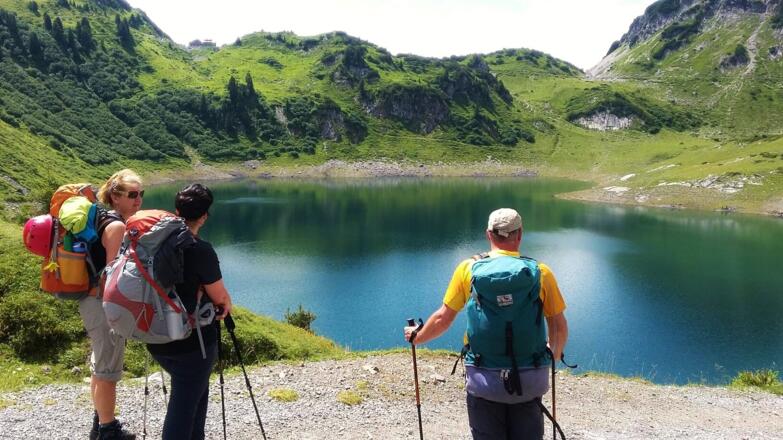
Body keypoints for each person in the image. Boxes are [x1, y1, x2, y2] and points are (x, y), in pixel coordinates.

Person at [403, 208, 569, 440]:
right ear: (519, 234)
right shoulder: (541, 273)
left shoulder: (468, 270)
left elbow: (443, 318)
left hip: (483, 381)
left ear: (488, 234)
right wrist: (551, 355)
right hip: (530, 380)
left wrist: (416, 336)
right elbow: (559, 326)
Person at [146, 183, 233, 440]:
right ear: (204, 216)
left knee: (193, 395)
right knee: (183, 410)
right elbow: (220, 298)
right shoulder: (200, 250)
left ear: (176, 210)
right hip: (192, 344)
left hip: (156, 336)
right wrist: (226, 303)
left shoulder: (155, 242)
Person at [86, 169, 144, 440]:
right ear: (115, 196)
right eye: (132, 194)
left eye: (141, 194)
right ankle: (109, 431)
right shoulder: (118, 226)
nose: (138, 200)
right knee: (108, 369)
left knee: (100, 365)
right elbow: (112, 273)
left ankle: (100, 424)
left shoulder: (101, 217)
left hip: (89, 300)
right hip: (103, 302)